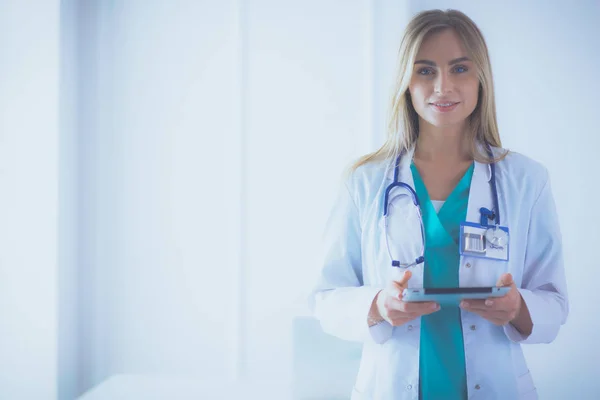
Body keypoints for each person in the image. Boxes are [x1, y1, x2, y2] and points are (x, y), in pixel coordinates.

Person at [308, 9, 568, 400]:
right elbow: (327, 299)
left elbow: (553, 299)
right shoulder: (365, 181)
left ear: (481, 78)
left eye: (460, 69)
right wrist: (378, 304)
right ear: (405, 82)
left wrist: (518, 308)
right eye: (426, 70)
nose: (443, 86)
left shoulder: (527, 180)